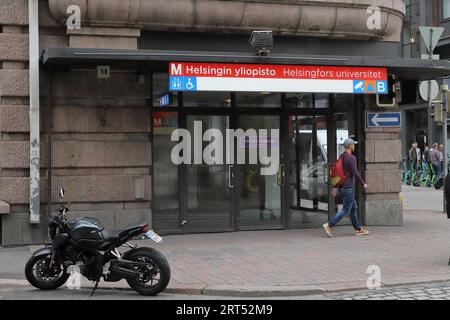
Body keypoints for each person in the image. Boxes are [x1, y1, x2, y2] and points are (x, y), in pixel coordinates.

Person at [323, 138, 369, 237]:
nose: (354, 146)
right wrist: (363, 183)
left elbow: (338, 173)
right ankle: (329, 225)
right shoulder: (351, 158)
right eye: (354, 144)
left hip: (343, 187)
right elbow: (355, 172)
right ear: (350, 146)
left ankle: (358, 229)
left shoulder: (342, 157)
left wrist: (335, 186)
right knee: (346, 210)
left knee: (353, 208)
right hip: (348, 188)